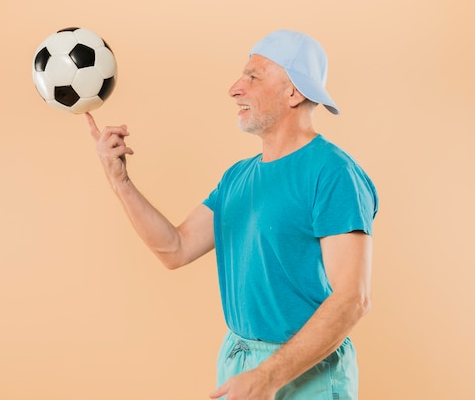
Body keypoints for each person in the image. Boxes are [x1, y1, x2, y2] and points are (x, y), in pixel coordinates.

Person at [87, 29, 378, 400]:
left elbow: (353, 298)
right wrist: (120, 182)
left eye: (253, 77)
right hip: (240, 366)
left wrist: (268, 376)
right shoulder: (238, 177)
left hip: (306, 375)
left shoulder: (334, 173)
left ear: (294, 92)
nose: (234, 89)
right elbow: (175, 248)